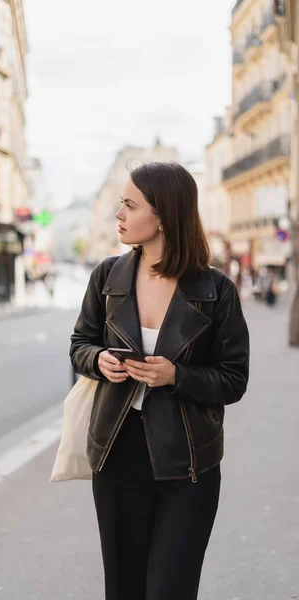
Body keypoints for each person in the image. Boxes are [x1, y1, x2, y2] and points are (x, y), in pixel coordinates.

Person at [70, 162, 250, 600]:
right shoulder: (107, 277)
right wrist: (100, 361)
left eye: (130, 205)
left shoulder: (215, 289)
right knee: (124, 587)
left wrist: (176, 375)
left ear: (164, 215)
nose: (120, 214)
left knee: (171, 588)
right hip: (115, 453)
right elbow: (80, 344)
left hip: (187, 462)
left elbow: (234, 379)